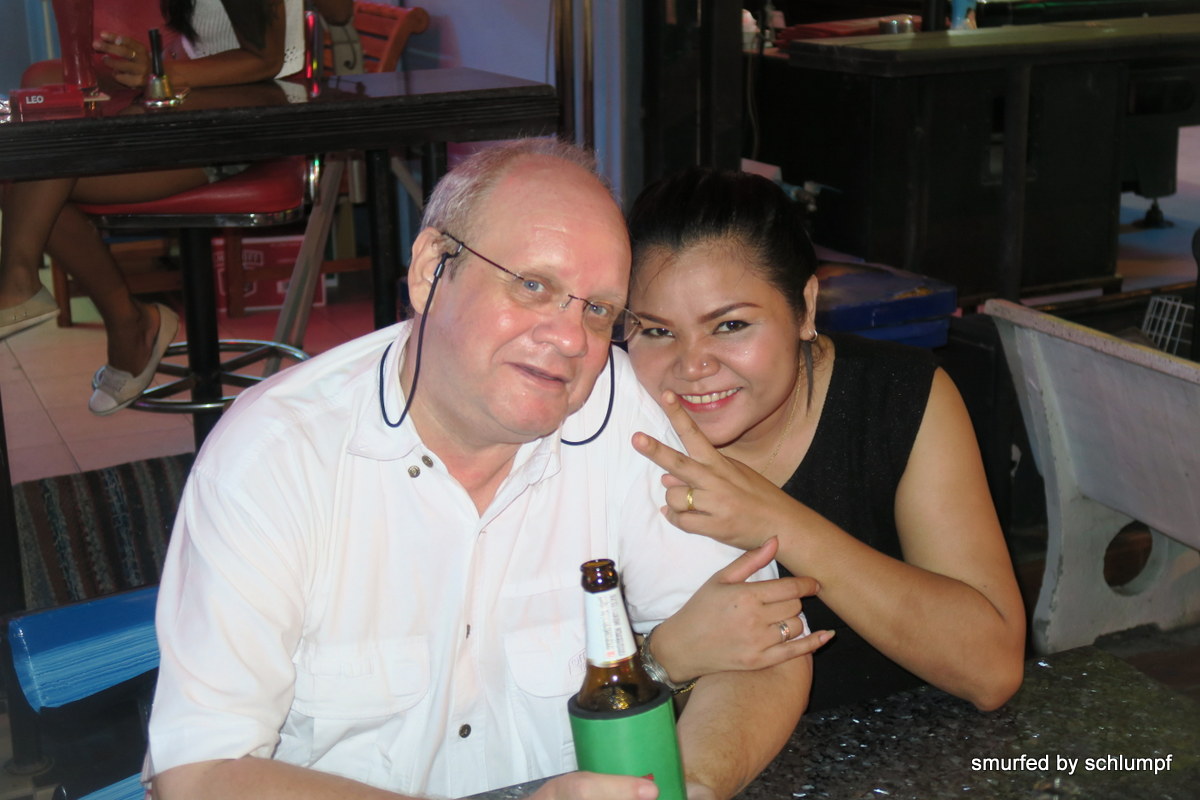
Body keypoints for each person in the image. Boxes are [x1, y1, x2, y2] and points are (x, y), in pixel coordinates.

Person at [146, 139, 825, 800]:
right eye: (533, 286)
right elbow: (201, 772)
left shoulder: (622, 412)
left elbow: (764, 649)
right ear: (430, 270)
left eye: (597, 310)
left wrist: (691, 786)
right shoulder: (277, 455)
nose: (570, 339)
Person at [625, 166, 1026, 713]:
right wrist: (663, 658)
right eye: (656, 331)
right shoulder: (605, 426)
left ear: (805, 308)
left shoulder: (898, 398)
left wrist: (778, 521)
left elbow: (992, 669)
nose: (692, 366)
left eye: (730, 325)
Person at [0, 0, 304, 415]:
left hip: (242, 121)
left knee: (30, 176)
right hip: (186, 101)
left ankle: (94, 311)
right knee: (41, 108)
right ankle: (121, 319)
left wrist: (161, 71)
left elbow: (265, 58)